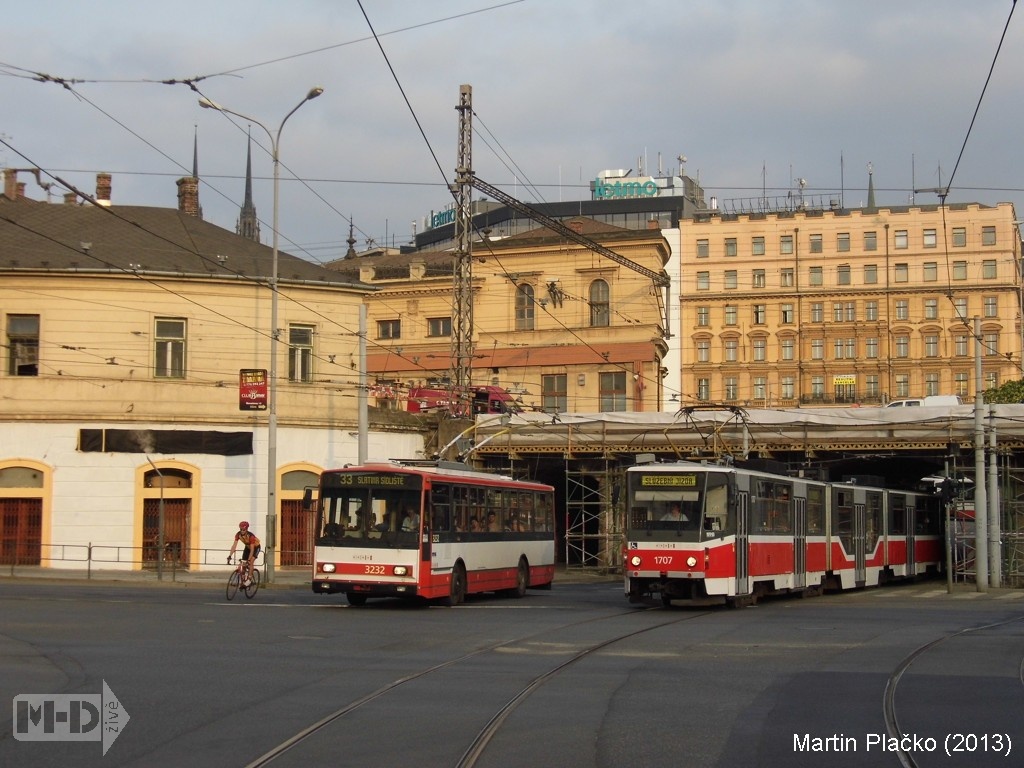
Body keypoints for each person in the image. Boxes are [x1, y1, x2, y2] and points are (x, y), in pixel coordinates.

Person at [227, 521, 261, 585]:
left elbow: (252, 550)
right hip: (247, 547)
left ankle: (249, 579)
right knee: (243, 563)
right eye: (241, 529)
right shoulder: (238, 535)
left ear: (246, 529)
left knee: (251, 561)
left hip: (256, 547)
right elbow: (234, 546)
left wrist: (248, 560)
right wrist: (230, 556)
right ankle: (243, 581)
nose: (242, 531)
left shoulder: (251, 536)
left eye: (244, 530)